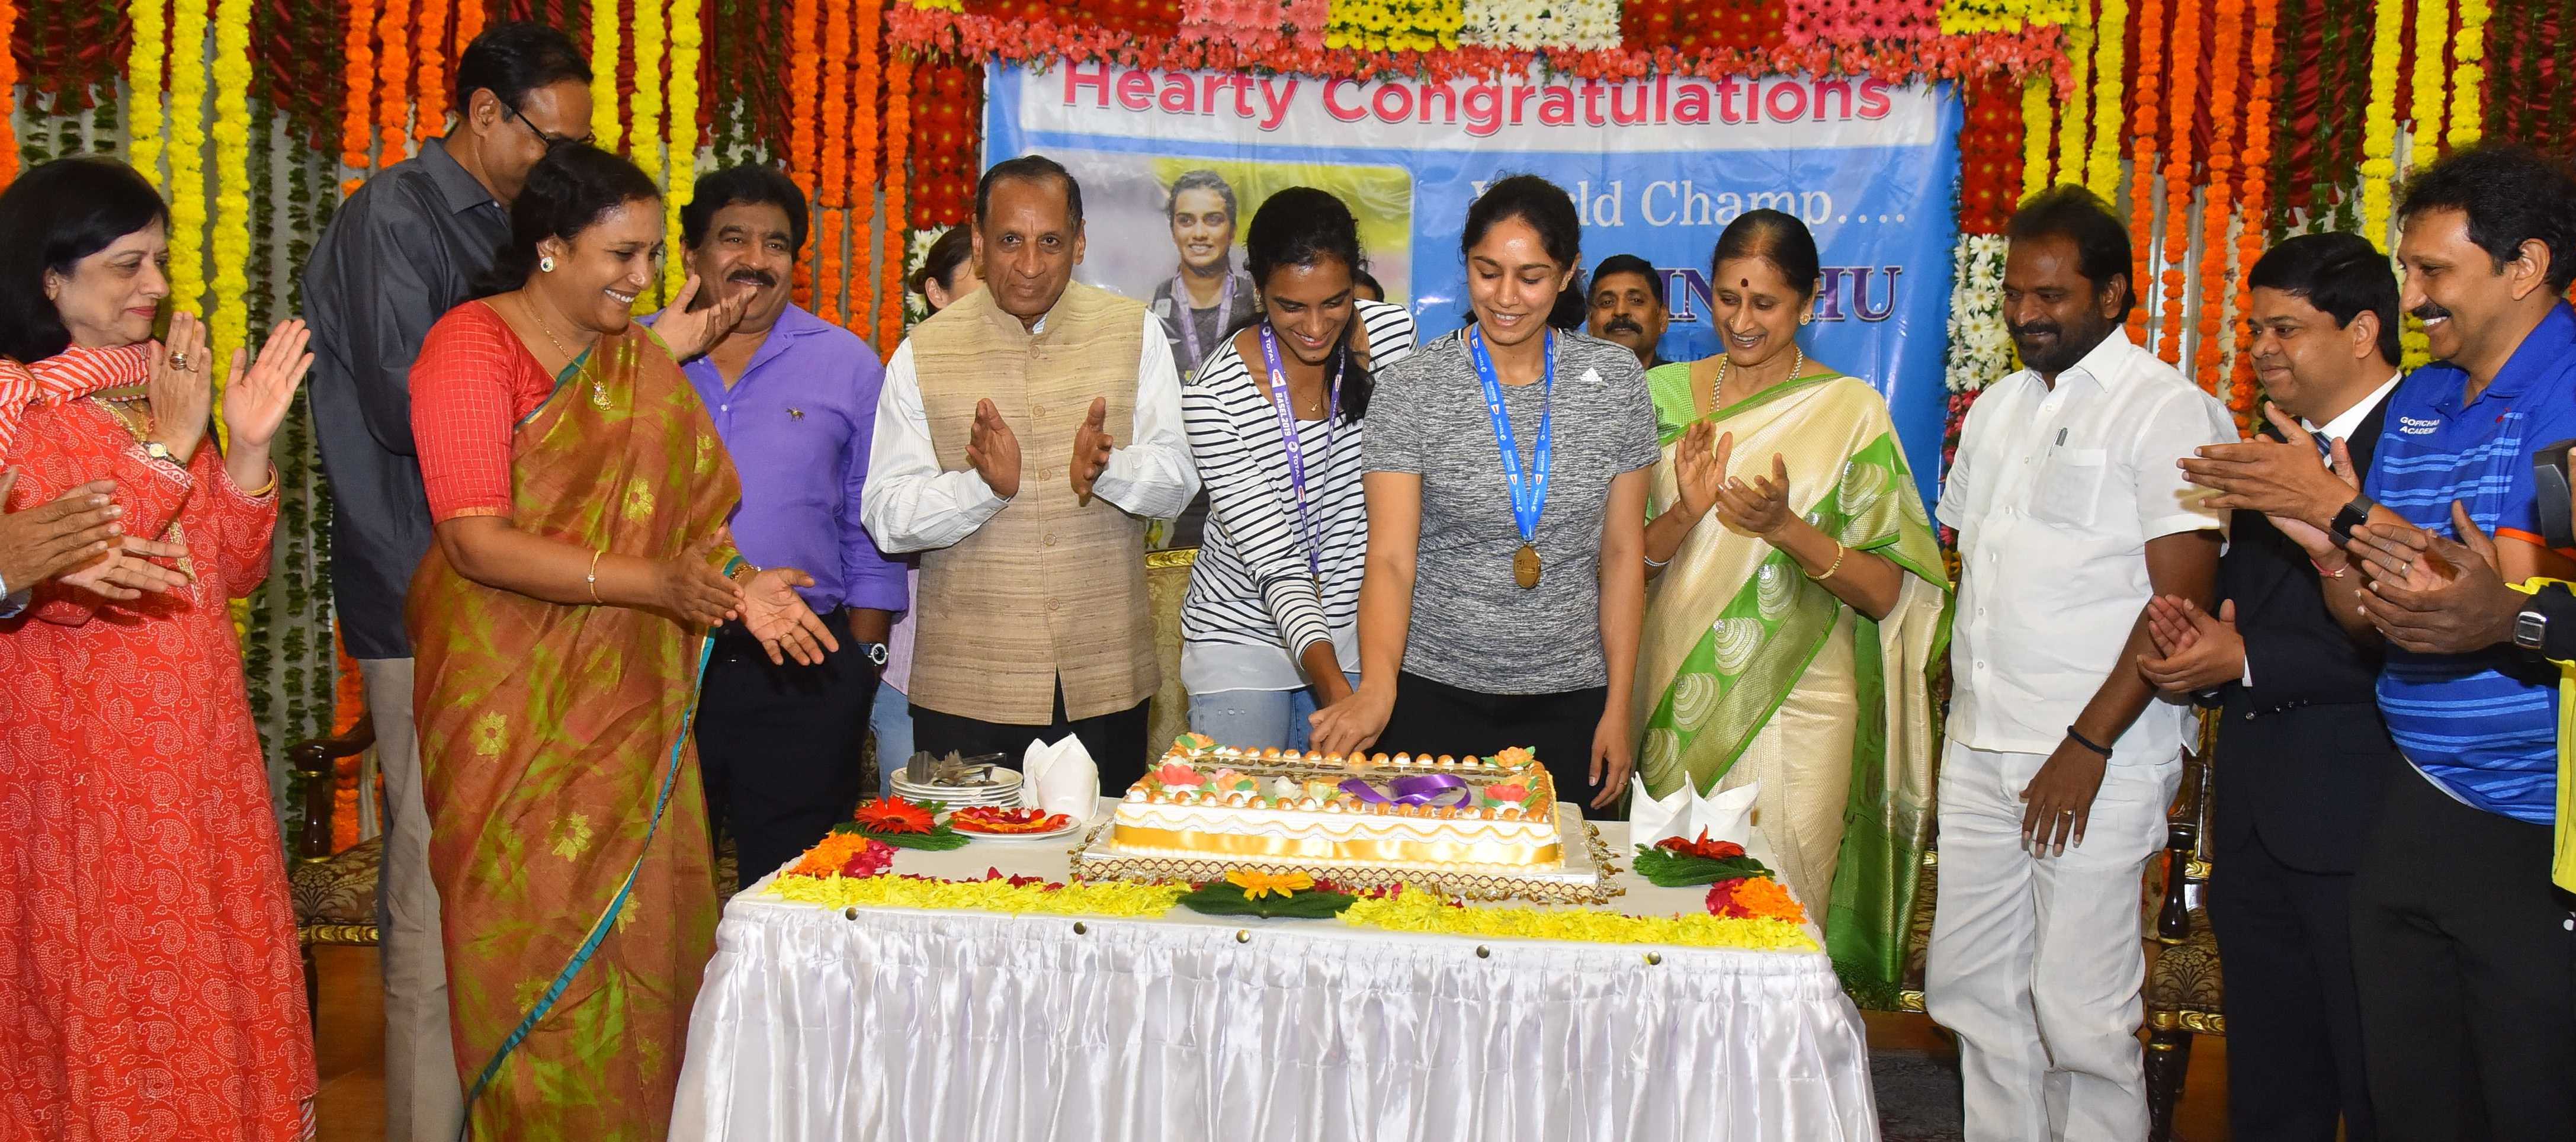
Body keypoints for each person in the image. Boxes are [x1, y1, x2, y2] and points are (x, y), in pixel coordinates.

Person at [404, 144, 830, 1135]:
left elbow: (687, 532)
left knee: (646, 957)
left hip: (625, 717)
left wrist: (735, 583)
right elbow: (473, 538)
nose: (642, 281)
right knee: (529, 962)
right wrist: (660, 585)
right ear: (549, 249)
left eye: (649, 257)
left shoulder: (627, 361)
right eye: (622, 256)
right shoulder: (471, 349)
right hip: (505, 716)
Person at [2181, 142, 2576, 1137]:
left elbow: (2501, 600)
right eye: (2406, 269)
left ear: (2522, 266)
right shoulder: (2419, 404)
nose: (2412, 296)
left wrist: (2342, 515)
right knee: (2406, 1092)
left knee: (2525, 1094)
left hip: (2537, 811)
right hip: (2415, 795)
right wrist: (2326, 547)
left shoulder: (2567, 393)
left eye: (2431, 272)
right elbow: (2385, 615)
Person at [299, 24, 591, 1138]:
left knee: (509, 891)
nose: (559, 162)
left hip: (523, 600)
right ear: (481, 113)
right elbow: (403, 408)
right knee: (430, 894)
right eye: (545, 137)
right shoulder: (391, 222)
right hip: (429, 604)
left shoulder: (522, 224)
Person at [0, 156, 319, 1138]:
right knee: (116, 985)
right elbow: (62, 592)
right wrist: (171, 453)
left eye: (160, 263)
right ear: (50, 278)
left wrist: (250, 446)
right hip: (91, 774)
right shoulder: (21, 415)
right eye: (127, 266)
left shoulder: (156, 391)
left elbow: (224, 568)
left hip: (200, 757)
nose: (156, 287)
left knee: (212, 974)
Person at [1924, 184, 2235, 1142]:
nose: (2024, 314)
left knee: (2080, 1010)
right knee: (1971, 990)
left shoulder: (2168, 412)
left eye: (2049, 295)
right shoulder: (1994, 409)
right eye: (2015, 293)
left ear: (2110, 294)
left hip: (2093, 755)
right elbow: (1967, 574)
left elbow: (2173, 611)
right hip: (1981, 744)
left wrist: (2085, 743)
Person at [1632, 209, 1946, 998]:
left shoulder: (1849, 413)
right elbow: (1619, 564)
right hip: (1673, 695)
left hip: (1803, 704)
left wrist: (1785, 529)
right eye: (1728, 299)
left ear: (1806, 303)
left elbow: (1885, 593)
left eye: (1764, 303)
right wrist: (1685, 511)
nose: (1741, 321)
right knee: (1670, 937)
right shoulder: (1659, 399)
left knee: (1781, 931)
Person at [2139, 232, 2402, 1142]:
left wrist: (2243, 659)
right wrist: (2198, 649)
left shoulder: (2416, 442)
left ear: (2363, 331)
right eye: (2254, 327)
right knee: (2270, 1089)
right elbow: (2251, 618)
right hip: (2257, 820)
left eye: (2285, 328)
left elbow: (2423, 640)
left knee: (2378, 1082)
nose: (2259, 348)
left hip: (2370, 823)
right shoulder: (2267, 450)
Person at [1308, 174, 1657, 811]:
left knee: (1567, 903)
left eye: (1530, 276)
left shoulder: (1614, 382)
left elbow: (1619, 556)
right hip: (1431, 696)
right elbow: (1389, 559)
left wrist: (1618, 706)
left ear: (1567, 272)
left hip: (1572, 700)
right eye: (1486, 270)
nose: (1505, 297)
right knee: (1428, 903)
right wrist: (1379, 686)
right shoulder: (1413, 387)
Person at [864, 155, 1198, 795]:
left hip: (1101, 683)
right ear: (980, 241)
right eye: (1010, 240)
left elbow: (1178, 481)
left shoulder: (1136, 334)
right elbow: (885, 516)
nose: (1029, 263)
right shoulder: (923, 352)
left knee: (1089, 880)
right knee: (960, 879)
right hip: (967, 684)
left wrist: (1108, 470)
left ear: (1078, 243)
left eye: (1049, 242)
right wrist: (981, 488)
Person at [649, 164, 907, 884]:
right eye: (733, 239)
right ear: (691, 252)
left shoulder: (846, 364)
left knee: (791, 895)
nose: (755, 261)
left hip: (803, 667)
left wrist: (860, 668)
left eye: (776, 245)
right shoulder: (638, 360)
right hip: (660, 662)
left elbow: (870, 527)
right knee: (665, 889)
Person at [1179, 187, 1417, 749]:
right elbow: (1277, 566)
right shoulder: (1213, 395)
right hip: (1240, 633)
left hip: (1361, 632)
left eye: (1334, 301)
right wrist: (1339, 699)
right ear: (1259, 290)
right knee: (1249, 819)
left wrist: (1363, 688)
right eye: (1291, 306)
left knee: (1344, 828)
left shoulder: (1391, 341)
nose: (1315, 325)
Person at [870, 224, 981, 788]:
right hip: (914, 638)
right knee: (913, 815)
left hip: (1004, 651)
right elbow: (885, 514)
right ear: (936, 293)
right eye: (980, 277)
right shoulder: (907, 377)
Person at [1151, 169, 1259, 380]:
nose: (1199, 234)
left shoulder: (1255, 303)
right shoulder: (1154, 305)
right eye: (1186, 221)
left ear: (1232, 231)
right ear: (1173, 231)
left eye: (1213, 220)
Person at [1586, 252, 1671, 370]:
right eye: (1607, 302)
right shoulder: (1564, 385)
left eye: (1636, 300)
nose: (1620, 311)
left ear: (1662, 318)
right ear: (1590, 322)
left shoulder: (1689, 385)